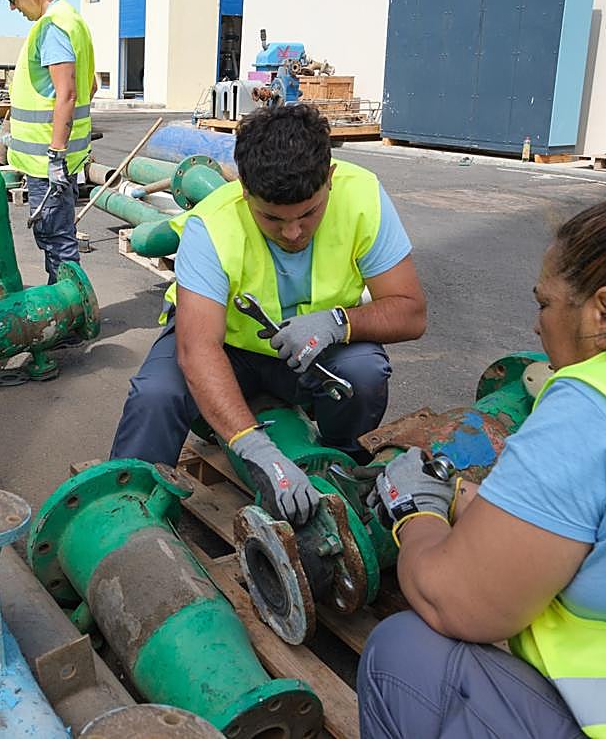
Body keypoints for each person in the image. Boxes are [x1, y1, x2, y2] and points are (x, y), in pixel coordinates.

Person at [358, 174, 606, 738]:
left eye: (544, 303)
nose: (536, 323)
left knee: (406, 654)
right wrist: (475, 504)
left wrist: (415, 515)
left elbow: (457, 603)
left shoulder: (598, 407)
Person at [110, 104, 427, 525]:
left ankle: (339, 465)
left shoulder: (362, 196)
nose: (292, 232)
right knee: (156, 395)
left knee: (363, 372)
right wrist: (256, 449)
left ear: (329, 179)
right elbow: (198, 350)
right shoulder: (212, 225)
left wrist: (338, 323)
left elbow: (411, 312)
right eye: (272, 218)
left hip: (310, 352)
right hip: (227, 351)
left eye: (308, 214)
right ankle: (123, 514)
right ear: (244, 190)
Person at [0, 0, 96, 284]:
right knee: (55, 236)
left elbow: (67, 93)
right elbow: (89, 86)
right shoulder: (71, 19)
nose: (12, 6)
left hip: (49, 162)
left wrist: (55, 155)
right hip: (59, 159)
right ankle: (66, 303)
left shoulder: (52, 28)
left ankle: (70, 310)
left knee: (56, 238)